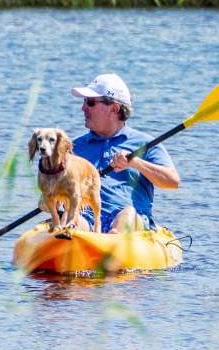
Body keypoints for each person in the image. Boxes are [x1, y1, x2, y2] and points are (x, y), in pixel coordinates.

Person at [68, 73, 180, 233]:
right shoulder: (73, 148)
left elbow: (173, 181)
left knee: (127, 215)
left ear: (114, 109)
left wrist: (135, 162)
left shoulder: (146, 144)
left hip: (128, 220)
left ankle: (114, 244)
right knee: (74, 220)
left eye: (90, 102)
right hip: (86, 217)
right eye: (85, 101)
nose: (83, 108)